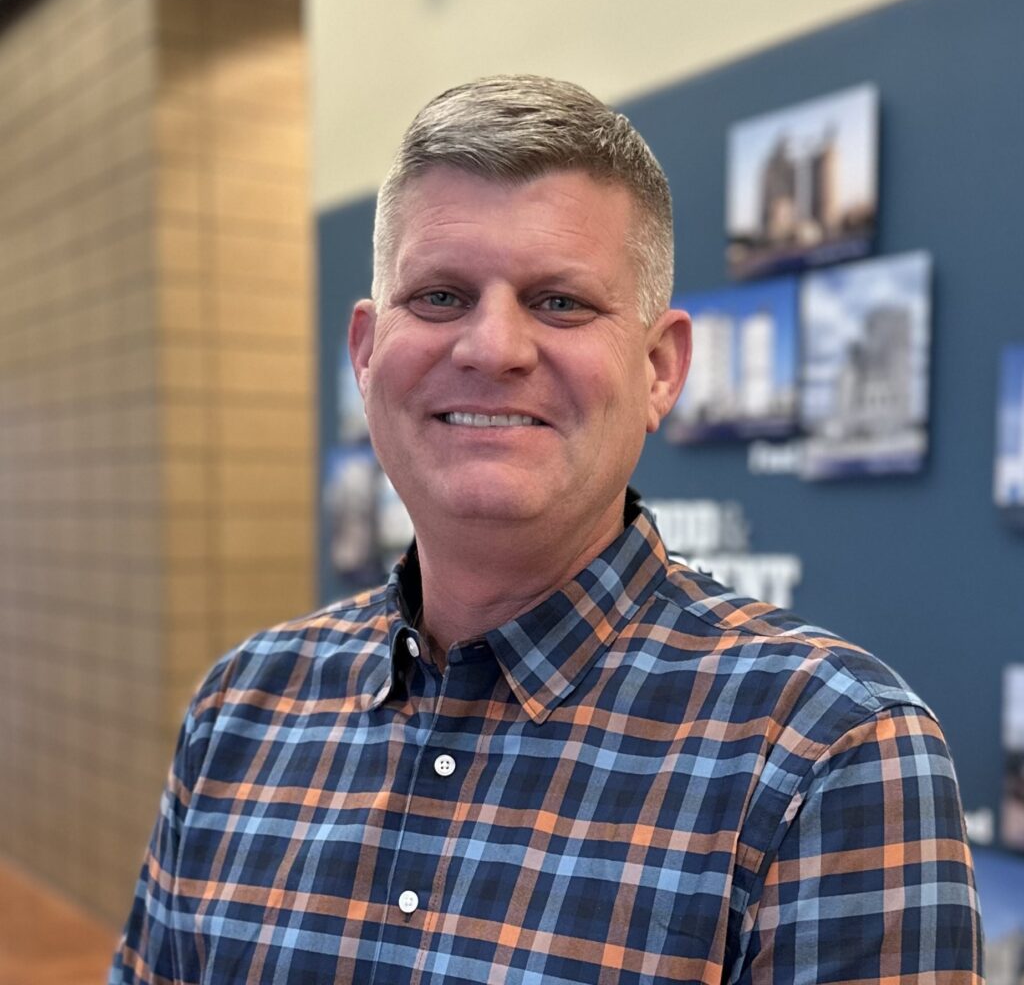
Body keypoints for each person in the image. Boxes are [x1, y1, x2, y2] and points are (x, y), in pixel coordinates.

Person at [110, 75, 983, 985]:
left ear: (659, 368)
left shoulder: (826, 752)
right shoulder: (240, 711)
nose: (493, 348)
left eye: (559, 302)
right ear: (366, 355)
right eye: (440, 296)